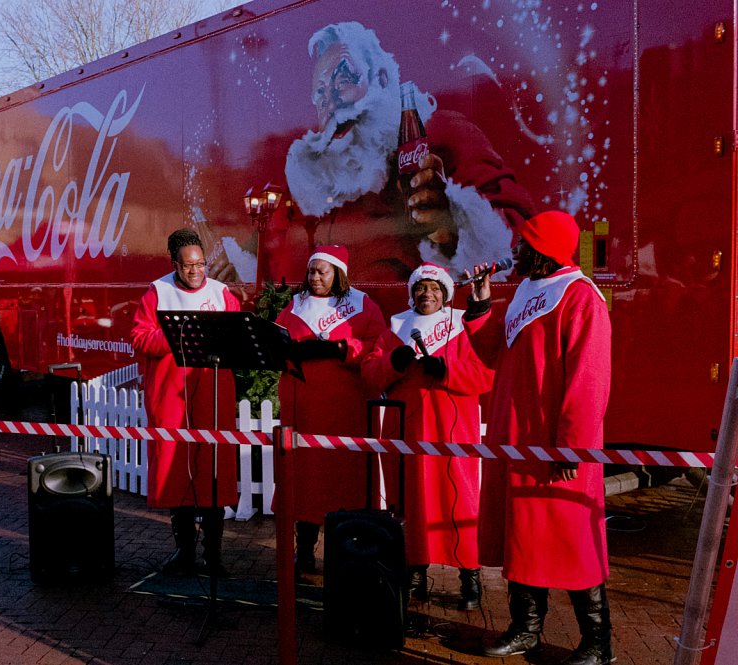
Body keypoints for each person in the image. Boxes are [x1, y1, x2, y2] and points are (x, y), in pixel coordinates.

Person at [256, 21, 533, 286]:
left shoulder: (441, 133)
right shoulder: (316, 182)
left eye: (343, 81)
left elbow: (519, 240)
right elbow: (279, 255)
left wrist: (454, 227)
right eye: (321, 92)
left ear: (381, 78)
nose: (331, 101)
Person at [464, 211, 613, 665]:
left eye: (524, 244)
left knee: (573, 543)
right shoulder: (527, 291)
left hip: (555, 446)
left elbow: (589, 379)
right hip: (516, 441)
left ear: (542, 249)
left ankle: (598, 643)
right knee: (523, 541)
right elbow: (496, 356)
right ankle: (525, 629)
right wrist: (481, 305)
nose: (516, 252)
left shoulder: (581, 297)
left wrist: (572, 446)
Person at [362, 263, 492, 611]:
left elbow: (486, 375)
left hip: (452, 430)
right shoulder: (397, 325)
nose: (427, 295)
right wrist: (395, 361)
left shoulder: (463, 325)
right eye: (421, 288)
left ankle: (470, 577)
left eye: (435, 289)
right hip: (406, 430)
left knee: (460, 500)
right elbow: (372, 374)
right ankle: (414, 570)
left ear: (446, 293)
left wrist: (448, 370)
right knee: (410, 500)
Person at [130, 228, 240, 577]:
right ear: (174, 263)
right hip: (171, 399)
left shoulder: (222, 294)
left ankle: (214, 553)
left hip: (212, 394)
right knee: (176, 473)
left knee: (213, 471)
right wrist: (176, 334)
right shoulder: (157, 292)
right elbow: (139, 337)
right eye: (188, 266)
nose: (196, 272)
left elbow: (237, 337)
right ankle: (184, 551)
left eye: (201, 264)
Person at [274, 245, 386, 573]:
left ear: (338, 273)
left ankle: (345, 553)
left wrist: (341, 348)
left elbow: (379, 345)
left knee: (344, 482)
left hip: (345, 410)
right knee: (304, 481)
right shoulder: (296, 305)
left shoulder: (363, 304)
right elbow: (278, 341)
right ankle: (304, 549)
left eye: (322, 271)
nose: (315, 277)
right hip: (304, 408)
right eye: (311, 271)